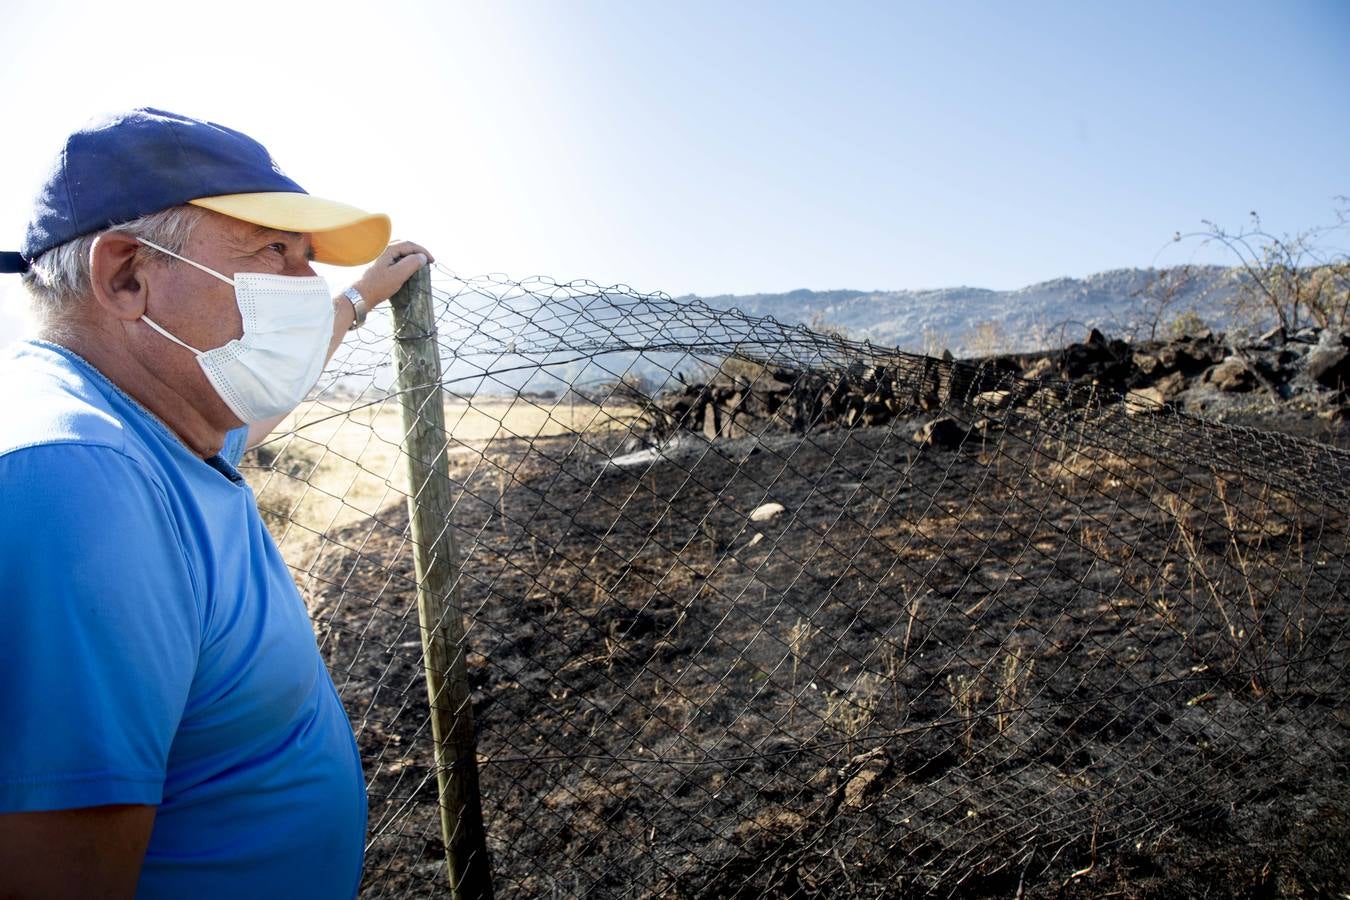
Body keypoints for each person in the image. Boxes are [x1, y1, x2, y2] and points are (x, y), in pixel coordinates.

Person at [0, 108, 434, 899]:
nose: (308, 288)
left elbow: (261, 407)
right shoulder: (81, 479)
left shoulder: (165, 421)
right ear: (126, 274)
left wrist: (364, 299)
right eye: (276, 251)